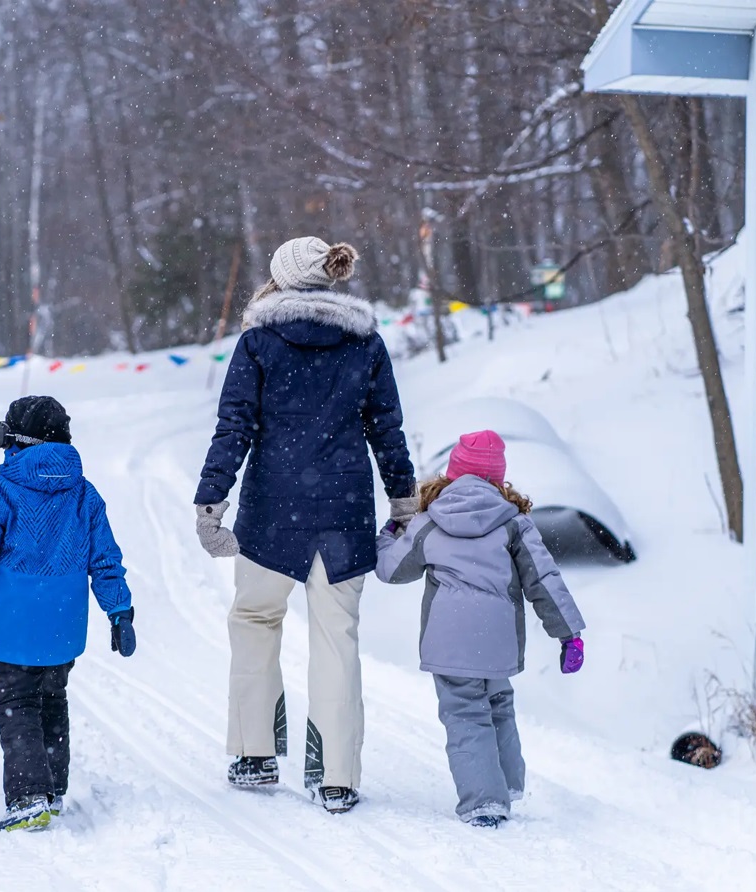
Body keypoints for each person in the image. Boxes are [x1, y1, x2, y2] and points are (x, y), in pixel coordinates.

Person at [194, 237, 417, 814]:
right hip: (343, 513)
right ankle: (337, 776)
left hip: (272, 514)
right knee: (336, 638)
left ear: (281, 277)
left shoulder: (258, 342)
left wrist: (210, 502)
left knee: (254, 619)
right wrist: (403, 500)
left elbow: (233, 428)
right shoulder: (365, 344)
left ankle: (254, 752)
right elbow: (387, 430)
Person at [0, 396, 136, 832]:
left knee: (17, 704)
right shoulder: (85, 495)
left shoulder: (0, 493)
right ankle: (53, 788)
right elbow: (105, 560)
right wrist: (119, 610)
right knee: (53, 699)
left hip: (14, 626)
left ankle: (28, 795)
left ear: (16, 441)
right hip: (63, 627)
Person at [374, 430, 585, 827]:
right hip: (498, 637)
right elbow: (545, 580)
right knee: (498, 703)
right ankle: (506, 782)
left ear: (453, 474)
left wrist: (388, 536)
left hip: (448, 640)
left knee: (465, 713)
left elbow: (393, 570)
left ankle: (485, 800)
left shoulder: (429, 521)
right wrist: (568, 634)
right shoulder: (515, 524)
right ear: (497, 480)